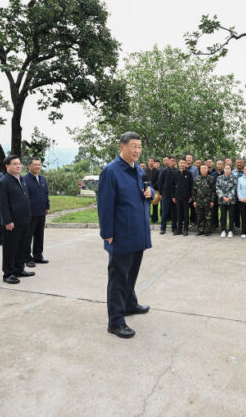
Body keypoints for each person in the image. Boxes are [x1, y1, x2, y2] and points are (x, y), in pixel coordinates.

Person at [96, 133, 153, 339]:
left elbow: (149, 189)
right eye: (133, 146)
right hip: (120, 234)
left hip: (138, 234)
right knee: (118, 278)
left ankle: (130, 304)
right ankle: (116, 321)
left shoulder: (138, 169)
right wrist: (107, 233)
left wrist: (151, 193)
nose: (137, 151)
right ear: (122, 147)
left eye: (139, 147)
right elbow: (104, 205)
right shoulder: (111, 171)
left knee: (131, 274)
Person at [0, 155, 34, 285]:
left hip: (25, 220)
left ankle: (19, 269)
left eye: (19, 163)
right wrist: (7, 221)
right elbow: (2, 204)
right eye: (14, 164)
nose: (18, 166)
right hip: (12, 222)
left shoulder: (22, 179)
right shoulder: (3, 182)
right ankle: (8, 273)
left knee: (22, 247)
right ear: (7, 166)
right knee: (10, 248)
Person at [24, 157, 50, 265]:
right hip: (30, 213)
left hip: (41, 212)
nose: (37, 167)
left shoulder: (43, 179)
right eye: (35, 165)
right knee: (28, 236)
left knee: (39, 235)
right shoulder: (24, 179)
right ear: (29, 166)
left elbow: (46, 194)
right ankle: (26, 258)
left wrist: (47, 206)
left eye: (39, 165)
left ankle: (38, 255)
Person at [192, 164, 216, 236]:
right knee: (199, 216)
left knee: (208, 217)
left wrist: (212, 201)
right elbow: (194, 190)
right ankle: (200, 230)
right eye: (202, 168)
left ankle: (208, 231)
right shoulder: (197, 179)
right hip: (199, 201)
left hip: (208, 201)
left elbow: (213, 191)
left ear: (207, 170)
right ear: (200, 170)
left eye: (205, 168)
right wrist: (195, 201)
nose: (203, 169)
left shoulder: (211, 178)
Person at [216, 164, 238, 238]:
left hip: (231, 201)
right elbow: (217, 188)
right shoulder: (219, 178)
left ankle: (231, 230)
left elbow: (235, 188)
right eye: (226, 168)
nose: (227, 170)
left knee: (231, 216)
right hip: (222, 201)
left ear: (231, 169)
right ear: (224, 169)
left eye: (228, 168)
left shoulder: (234, 178)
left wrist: (229, 197)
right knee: (223, 216)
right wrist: (223, 197)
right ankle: (223, 230)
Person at [157, 156, 177, 234]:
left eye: (174, 161)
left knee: (174, 212)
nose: (173, 162)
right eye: (171, 161)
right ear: (168, 162)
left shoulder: (176, 171)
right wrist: (161, 193)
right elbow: (159, 182)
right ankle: (163, 228)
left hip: (174, 196)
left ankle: (174, 227)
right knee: (164, 212)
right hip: (165, 195)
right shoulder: (164, 171)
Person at [174, 159, 194, 236]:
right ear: (178, 163)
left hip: (186, 197)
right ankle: (179, 229)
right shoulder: (176, 173)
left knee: (186, 214)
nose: (182, 164)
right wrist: (173, 196)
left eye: (183, 163)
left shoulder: (189, 173)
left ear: (186, 164)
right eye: (181, 162)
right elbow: (172, 185)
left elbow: (191, 185)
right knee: (179, 213)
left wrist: (191, 196)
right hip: (178, 197)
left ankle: (185, 229)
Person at [149, 158, 161, 224]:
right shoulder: (146, 171)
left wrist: (153, 187)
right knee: (147, 205)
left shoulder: (157, 171)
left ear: (154, 162)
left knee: (155, 205)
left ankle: (155, 219)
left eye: (152, 161)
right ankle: (147, 218)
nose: (151, 162)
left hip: (155, 190)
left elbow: (158, 181)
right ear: (148, 162)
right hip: (147, 190)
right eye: (149, 161)